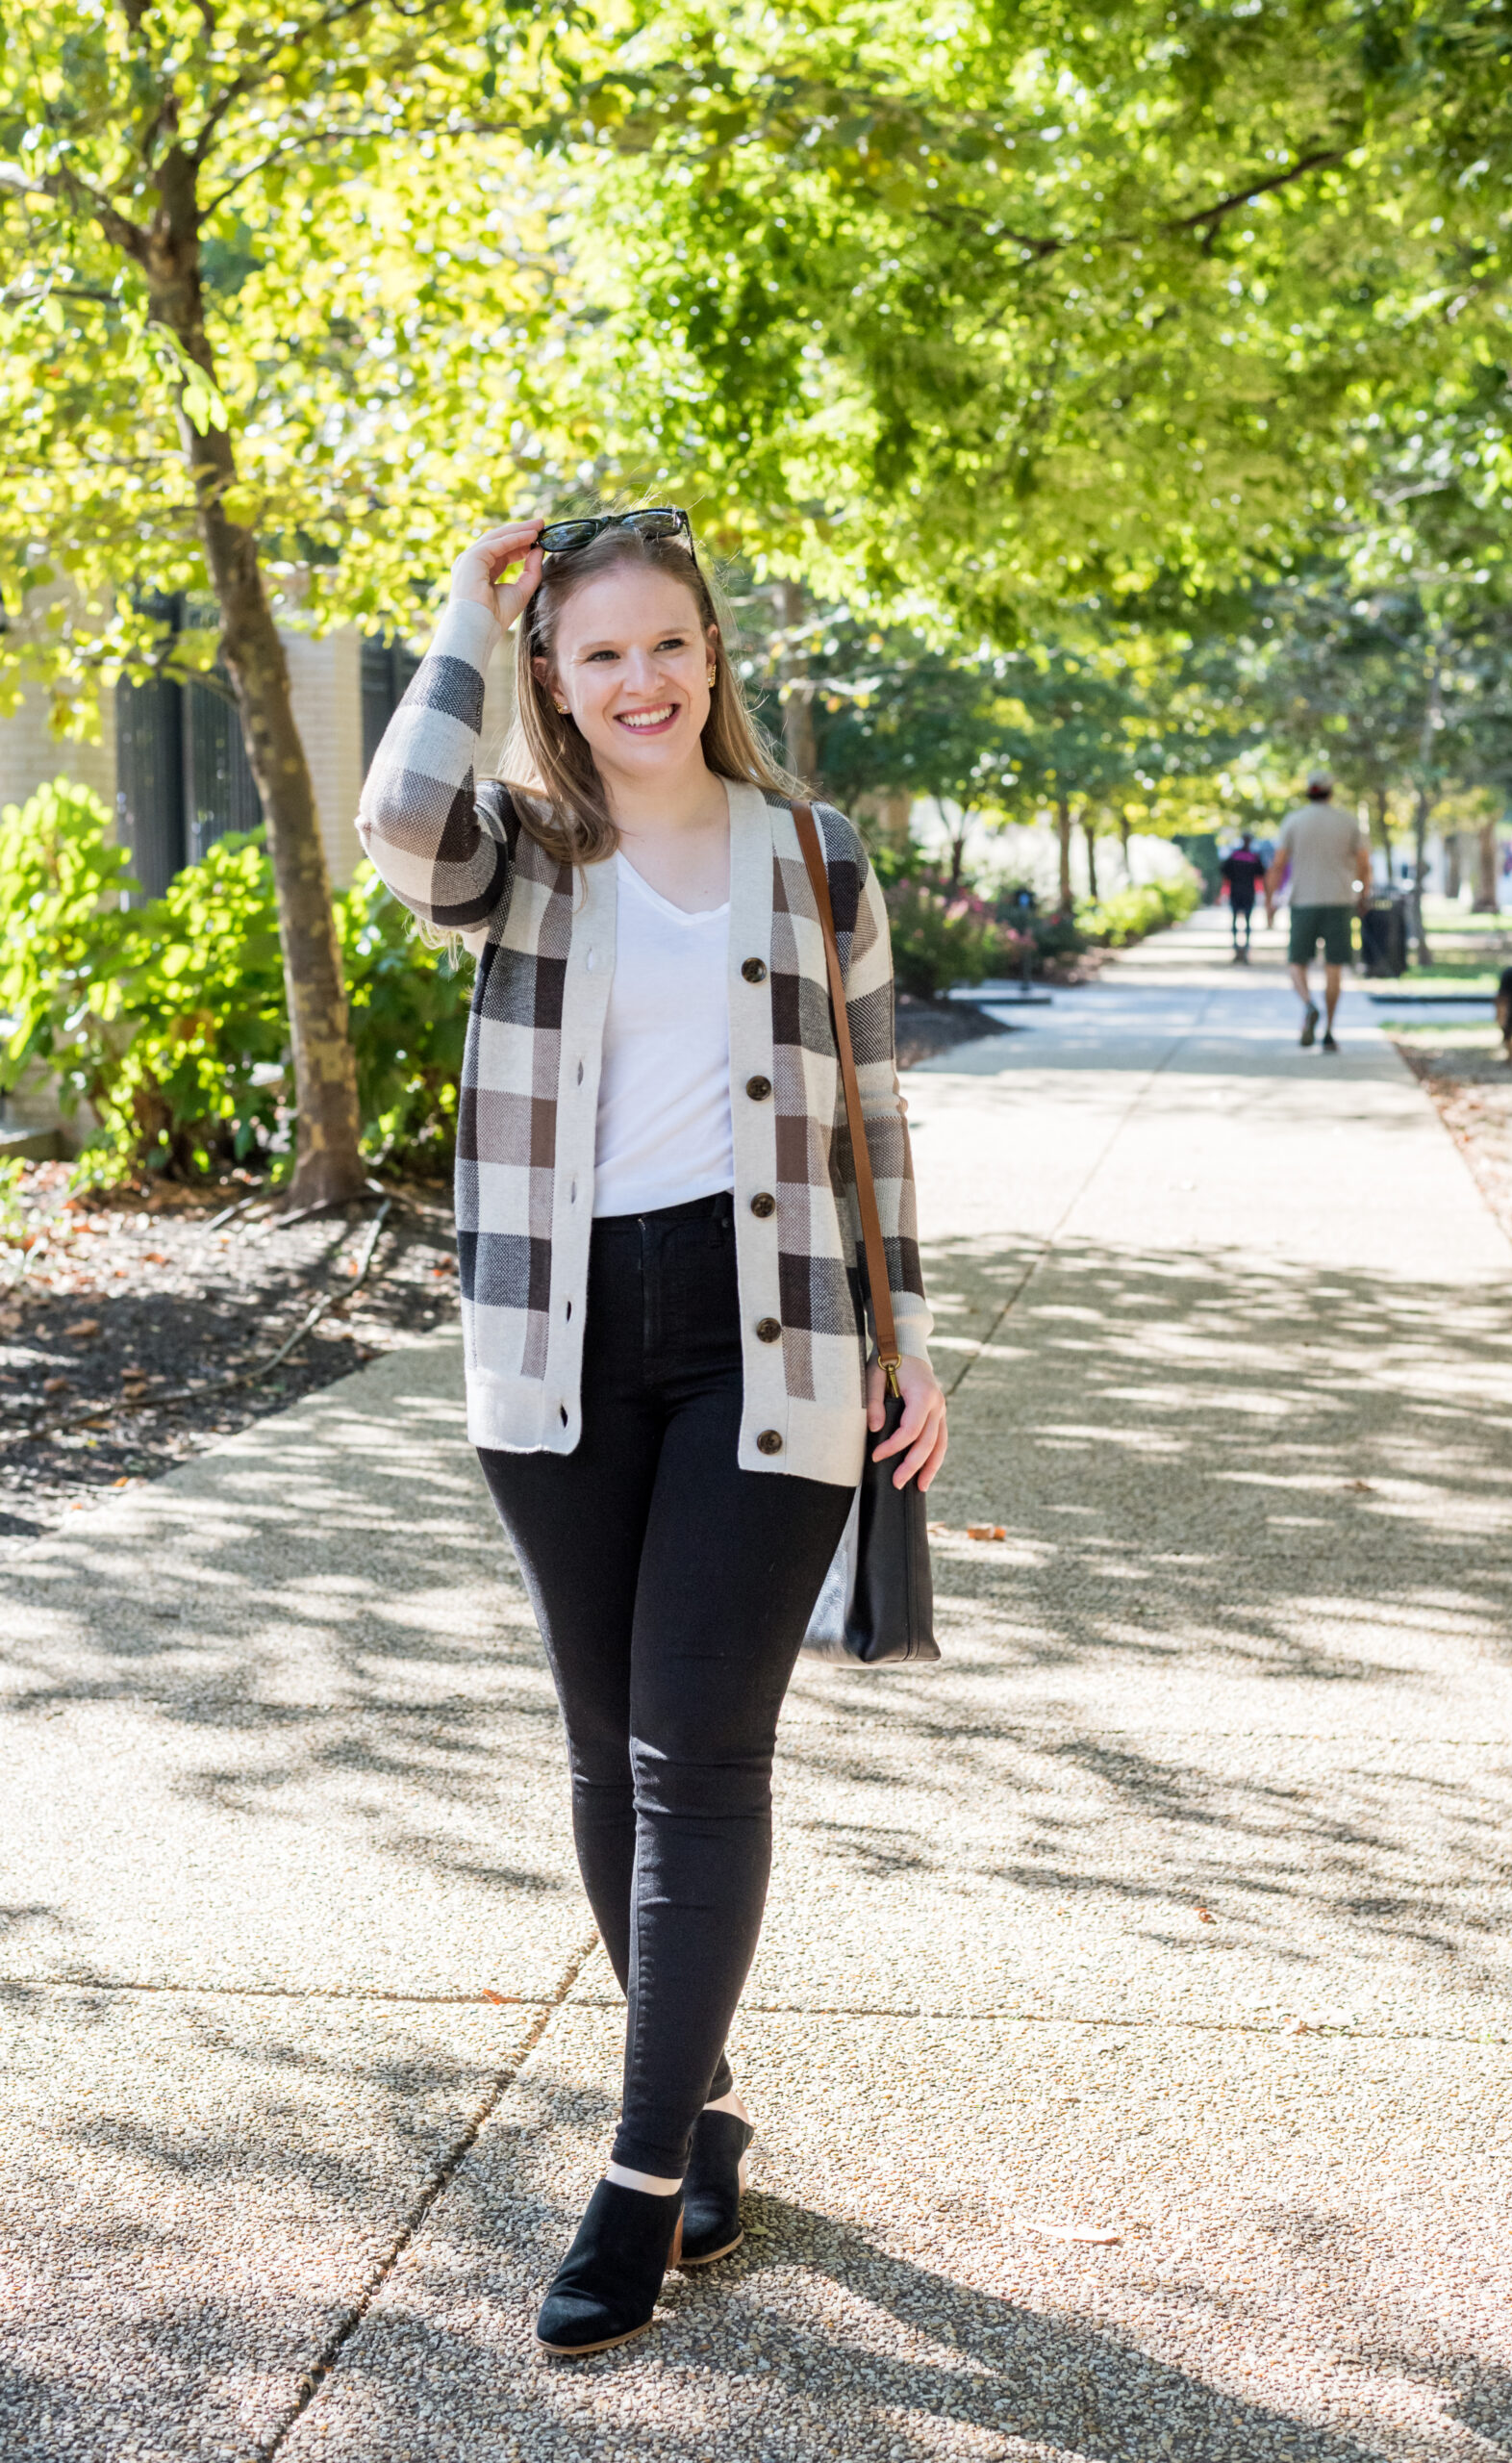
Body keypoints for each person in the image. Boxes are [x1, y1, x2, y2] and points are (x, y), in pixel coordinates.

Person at [357, 508, 948, 2357]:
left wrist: (910, 1346)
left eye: (667, 643)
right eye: (597, 651)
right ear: (552, 674)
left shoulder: (811, 854)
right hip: (555, 1345)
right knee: (607, 1742)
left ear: (713, 653)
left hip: (765, 1342)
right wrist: (466, 610)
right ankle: (696, 2111)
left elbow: (876, 1115)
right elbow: (392, 823)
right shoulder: (518, 853)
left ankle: (631, 2179)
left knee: (701, 1745)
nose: (640, 679)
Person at [1264, 771, 1372, 1051]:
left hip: (1303, 902)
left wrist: (1270, 901)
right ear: (1330, 792)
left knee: (1296, 962)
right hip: (1339, 901)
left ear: (1308, 792)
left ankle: (1309, 1005)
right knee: (1334, 968)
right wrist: (1363, 894)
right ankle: (1330, 1032)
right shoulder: (1348, 822)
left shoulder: (1294, 821)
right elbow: (1364, 863)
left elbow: (1277, 864)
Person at [1219, 827, 1265, 961]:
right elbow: (1261, 873)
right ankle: (1245, 949)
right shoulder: (1254, 857)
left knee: (1235, 919)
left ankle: (1236, 947)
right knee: (1247, 921)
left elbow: (1224, 870)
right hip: (1248, 891)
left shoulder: (1234, 856)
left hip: (1236, 890)